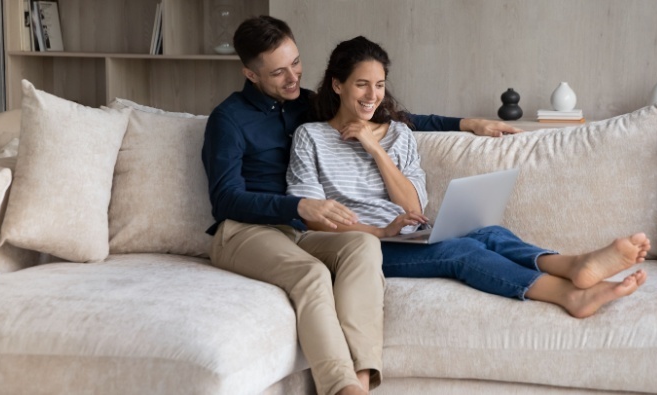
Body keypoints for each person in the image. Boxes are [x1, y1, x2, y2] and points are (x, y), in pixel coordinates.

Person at [202, 16, 520, 395]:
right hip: (246, 231)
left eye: (296, 63)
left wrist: (468, 123)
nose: (292, 78)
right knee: (311, 276)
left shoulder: (306, 104)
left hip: (300, 231)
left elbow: (396, 117)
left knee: (364, 244)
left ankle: (365, 375)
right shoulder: (228, 118)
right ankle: (341, 387)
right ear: (251, 75)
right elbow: (224, 200)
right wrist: (298, 206)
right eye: (278, 73)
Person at [286, 36, 651, 322]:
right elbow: (312, 219)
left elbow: (412, 207)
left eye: (379, 84)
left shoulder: (398, 134)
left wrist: (375, 148)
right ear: (337, 85)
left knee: (489, 233)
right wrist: (378, 231)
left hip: (407, 234)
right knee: (461, 252)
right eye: (361, 84)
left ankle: (573, 266)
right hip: (361, 247)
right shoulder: (311, 137)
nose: (372, 95)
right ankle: (569, 294)